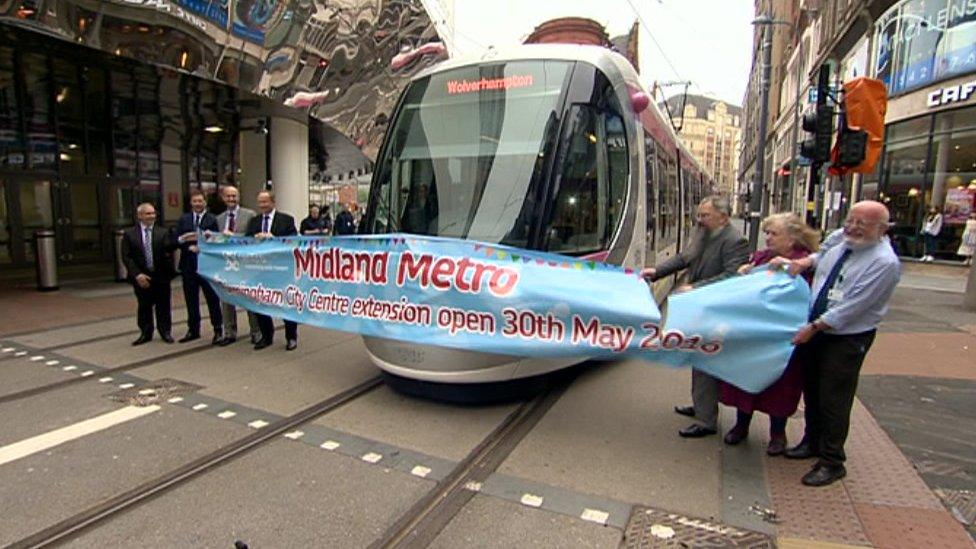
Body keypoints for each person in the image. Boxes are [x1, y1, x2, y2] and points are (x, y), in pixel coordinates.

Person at [772, 200, 901, 487]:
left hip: (844, 337)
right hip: (816, 328)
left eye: (862, 224)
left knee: (834, 397)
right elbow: (822, 256)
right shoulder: (842, 240)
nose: (852, 228)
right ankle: (812, 441)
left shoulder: (884, 263)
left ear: (882, 229)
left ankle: (832, 461)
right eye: (850, 220)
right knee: (813, 389)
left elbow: (852, 308)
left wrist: (814, 327)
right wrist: (804, 262)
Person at [642, 195, 750, 438]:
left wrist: (696, 287)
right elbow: (685, 258)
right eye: (699, 215)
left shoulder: (735, 240)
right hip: (699, 308)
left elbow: (733, 276)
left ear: (722, 217)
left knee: (706, 362)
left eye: (705, 216)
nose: (699, 220)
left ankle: (706, 421)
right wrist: (657, 272)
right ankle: (701, 406)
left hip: (715, 310)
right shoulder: (703, 234)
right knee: (698, 360)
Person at [719, 213, 820, 455]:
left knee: (780, 386)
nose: (768, 238)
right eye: (767, 233)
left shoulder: (801, 261)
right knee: (747, 380)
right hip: (754, 334)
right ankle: (741, 426)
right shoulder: (762, 258)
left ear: (792, 238)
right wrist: (745, 273)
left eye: (774, 234)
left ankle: (777, 434)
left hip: (781, 337)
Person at [246, 190, 299, 351]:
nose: (262, 205)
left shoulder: (286, 220)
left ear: (273, 202)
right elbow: (245, 242)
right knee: (260, 302)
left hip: (281, 268)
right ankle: (266, 336)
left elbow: (294, 241)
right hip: (260, 269)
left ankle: (291, 337)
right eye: (260, 202)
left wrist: (274, 239)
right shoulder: (254, 221)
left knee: (286, 303)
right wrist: (254, 239)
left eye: (265, 202)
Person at [121, 202, 177, 345]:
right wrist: (137, 274)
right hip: (141, 277)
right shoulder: (129, 235)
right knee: (144, 306)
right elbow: (127, 257)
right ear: (140, 216)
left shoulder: (163, 232)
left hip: (161, 276)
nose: (152, 216)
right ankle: (145, 333)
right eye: (148, 214)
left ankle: (165, 331)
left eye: (153, 213)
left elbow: (169, 250)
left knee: (163, 305)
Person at [174, 190, 223, 345]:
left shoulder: (212, 219)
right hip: (188, 265)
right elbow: (176, 240)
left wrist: (204, 246)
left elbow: (218, 241)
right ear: (191, 203)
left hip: (206, 265)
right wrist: (183, 242)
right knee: (191, 299)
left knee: (212, 299)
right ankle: (193, 330)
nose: (197, 204)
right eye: (195, 201)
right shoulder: (184, 219)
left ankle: (217, 329)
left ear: (205, 203)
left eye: (200, 201)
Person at [215, 185, 260, 346]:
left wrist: (234, 236)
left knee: (249, 299)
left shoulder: (250, 215)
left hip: (245, 265)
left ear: (238, 197)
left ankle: (256, 332)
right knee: (226, 300)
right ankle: (229, 332)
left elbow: (253, 237)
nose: (231, 199)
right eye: (228, 196)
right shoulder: (218, 219)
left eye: (234, 196)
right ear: (223, 198)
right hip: (226, 265)